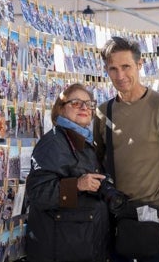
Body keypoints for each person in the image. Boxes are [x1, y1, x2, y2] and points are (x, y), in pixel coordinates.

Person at [93, 36, 159, 262]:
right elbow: (97, 162)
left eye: (126, 66)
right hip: (114, 217)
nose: (120, 75)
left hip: (151, 217)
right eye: (113, 69)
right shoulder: (103, 111)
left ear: (139, 65)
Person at [26, 83, 110, 262]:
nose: (84, 108)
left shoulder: (83, 140)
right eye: (76, 103)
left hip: (78, 244)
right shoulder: (54, 143)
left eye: (88, 104)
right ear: (61, 109)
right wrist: (77, 185)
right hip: (60, 249)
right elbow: (37, 194)